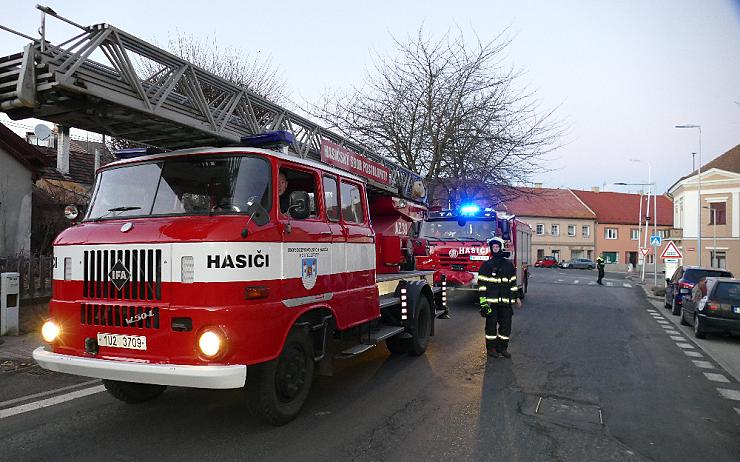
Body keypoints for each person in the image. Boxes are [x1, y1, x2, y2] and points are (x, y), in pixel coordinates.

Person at [478, 237, 522, 358]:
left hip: (506, 303)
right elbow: (482, 287)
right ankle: (491, 349)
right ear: (491, 249)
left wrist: (517, 298)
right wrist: (483, 304)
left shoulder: (508, 265)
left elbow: (513, 283)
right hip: (491, 304)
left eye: (497, 247)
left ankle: (502, 348)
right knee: (491, 328)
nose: (495, 249)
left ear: (501, 248)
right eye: (493, 247)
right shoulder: (486, 266)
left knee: (506, 327)